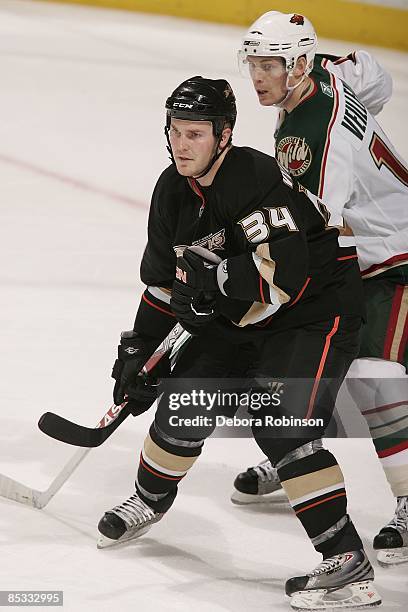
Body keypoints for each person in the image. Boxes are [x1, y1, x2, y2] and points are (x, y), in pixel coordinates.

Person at [97, 76, 381, 610]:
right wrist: (140, 350)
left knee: (282, 423)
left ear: (222, 135)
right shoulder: (172, 189)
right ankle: (149, 499)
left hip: (315, 312)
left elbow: (285, 280)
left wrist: (218, 282)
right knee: (186, 399)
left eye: (195, 134)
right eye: (175, 131)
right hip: (243, 314)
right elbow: (165, 283)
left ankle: (347, 564)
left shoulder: (254, 177)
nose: (182, 145)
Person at [233, 10, 408, 568]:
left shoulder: (314, 133)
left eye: (271, 64)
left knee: (373, 375)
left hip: (396, 256)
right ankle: (298, 452)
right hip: (365, 253)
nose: (259, 76)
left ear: (299, 64)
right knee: (314, 350)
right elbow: (375, 73)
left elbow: (314, 224)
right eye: (254, 62)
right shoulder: (330, 72)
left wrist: (245, 255)